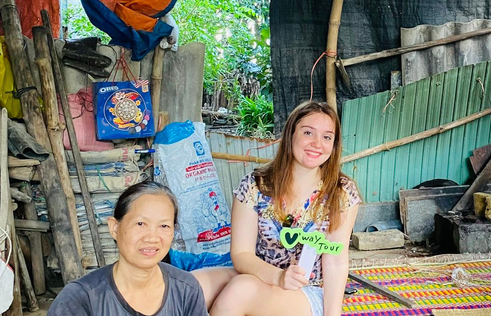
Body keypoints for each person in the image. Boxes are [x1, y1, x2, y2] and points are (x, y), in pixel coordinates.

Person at [193, 101, 361, 316]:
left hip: (309, 289)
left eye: (327, 137)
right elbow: (241, 254)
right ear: (290, 134)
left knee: (240, 291)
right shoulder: (255, 186)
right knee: (191, 287)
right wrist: (278, 277)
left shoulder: (341, 192)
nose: (317, 144)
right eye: (308, 132)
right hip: (260, 275)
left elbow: (336, 263)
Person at [47, 181, 208, 316]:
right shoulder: (81, 298)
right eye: (140, 224)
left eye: (164, 226)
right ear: (114, 228)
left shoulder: (186, 289)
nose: (152, 237)